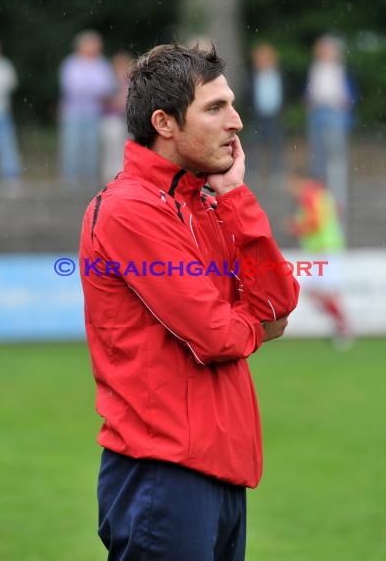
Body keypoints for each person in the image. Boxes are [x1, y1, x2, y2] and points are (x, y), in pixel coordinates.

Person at [79, 43, 299, 561]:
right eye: (215, 108)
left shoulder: (206, 200)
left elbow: (278, 306)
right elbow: (217, 334)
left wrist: (237, 200)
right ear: (165, 122)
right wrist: (253, 327)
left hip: (220, 471)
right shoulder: (128, 210)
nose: (237, 122)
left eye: (233, 105)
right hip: (163, 473)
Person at [285, 170, 352, 347]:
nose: (289, 188)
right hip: (326, 248)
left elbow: (314, 221)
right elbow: (336, 211)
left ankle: (343, 328)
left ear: (297, 180)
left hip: (323, 250)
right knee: (320, 292)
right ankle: (341, 327)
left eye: (290, 183)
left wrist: (297, 227)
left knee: (319, 292)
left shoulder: (308, 194)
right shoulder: (321, 193)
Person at [305, 34, 356, 236]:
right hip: (319, 113)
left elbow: (346, 95)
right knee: (318, 156)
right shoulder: (315, 69)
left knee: (335, 155)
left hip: (334, 113)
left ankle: (336, 187)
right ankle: (320, 191)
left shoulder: (340, 70)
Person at [58, 30, 115, 188]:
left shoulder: (102, 64)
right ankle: (70, 180)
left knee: (91, 147)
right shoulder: (71, 64)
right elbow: (72, 87)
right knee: (72, 146)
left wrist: (89, 89)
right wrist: (92, 89)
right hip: (73, 112)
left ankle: (88, 180)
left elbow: (106, 87)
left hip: (94, 113)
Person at [250, 43, 284, 181]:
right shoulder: (253, 77)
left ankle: (277, 171)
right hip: (258, 115)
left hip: (274, 115)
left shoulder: (277, 76)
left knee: (276, 143)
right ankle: (252, 171)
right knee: (255, 143)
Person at [100, 51, 133, 182]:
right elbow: (105, 99)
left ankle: (124, 172)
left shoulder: (133, 80)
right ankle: (110, 175)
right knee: (112, 147)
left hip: (128, 120)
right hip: (112, 118)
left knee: (126, 148)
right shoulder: (109, 81)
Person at [0, 39, 22, 189]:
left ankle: (11, 176)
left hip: (1, 113)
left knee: (6, 145)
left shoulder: (4, 66)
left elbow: (9, 86)